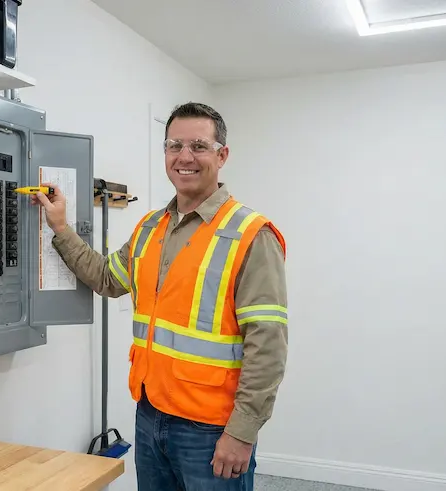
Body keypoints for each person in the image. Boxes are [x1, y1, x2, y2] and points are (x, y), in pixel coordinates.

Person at [31, 102, 288, 491]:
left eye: (199, 146)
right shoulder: (151, 227)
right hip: (150, 416)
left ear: (222, 155)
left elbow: (267, 346)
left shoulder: (252, 235)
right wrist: (61, 227)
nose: (185, 157)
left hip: (211, 428)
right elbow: (105, 278)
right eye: (174, 145)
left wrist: (242, 432)